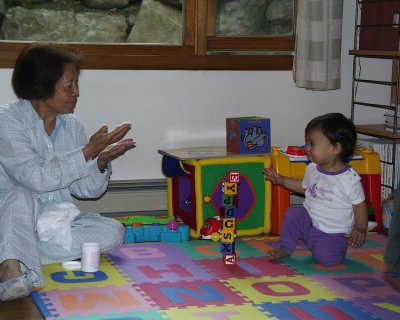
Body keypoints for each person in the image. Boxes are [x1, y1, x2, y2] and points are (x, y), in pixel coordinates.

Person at [0, 43, 136, 301]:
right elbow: (35, 178)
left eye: (76, 85)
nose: (76, 93)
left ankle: (16, 255)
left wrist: (100, 162)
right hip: (10, 217)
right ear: (42, 86)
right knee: (20, 194)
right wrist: (87, 151)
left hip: (52, 224)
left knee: (113, 232)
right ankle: (10, 268)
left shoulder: (72, 125)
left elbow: (84, 190)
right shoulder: (7, 120)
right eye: (69, 86)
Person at [263, 113, 368, 266]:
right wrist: (282, 180)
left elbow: (359, 205)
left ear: (335, 148)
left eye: (312, 144)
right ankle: (285, 248)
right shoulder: (312, 168)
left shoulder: (349, 179)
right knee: (294, 212)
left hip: (334, 232)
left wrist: (360, 228)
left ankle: (330, 247)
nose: (306, 148)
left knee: (326, 259)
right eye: (307, 142)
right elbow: (304, 186)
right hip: (310, 223)